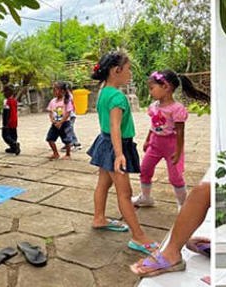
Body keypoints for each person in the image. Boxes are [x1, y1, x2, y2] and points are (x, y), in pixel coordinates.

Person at [87, 51, 158, 254]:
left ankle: (99, 218)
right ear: (116, 70)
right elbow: (115, 126)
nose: (130, 73)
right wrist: (119, 154)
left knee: (103, 183)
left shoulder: (105, 92)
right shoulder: (117, 97)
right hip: (115, 146)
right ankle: (138, 236)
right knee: (125, 194)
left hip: (105, 142)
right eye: (128, 69)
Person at [132, 70, 209, 208]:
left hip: (172, 145)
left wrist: (178, 151)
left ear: (165, 87)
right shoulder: (153, 107)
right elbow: (154, 125)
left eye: (152, 88)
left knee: (175, 177)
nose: (150, 92)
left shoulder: (177, 109)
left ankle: (183, 204)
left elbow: (180, 131)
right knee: (145, 169)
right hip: (155, 143)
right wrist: (148, 139)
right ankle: (146, 197)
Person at [47, 81, 74, 160]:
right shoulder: (53, 101)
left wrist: (61, 122)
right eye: (53, 90)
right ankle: (55, 153)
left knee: (67, 140)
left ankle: (68, 154)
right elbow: (50, 112)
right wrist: (53, 121)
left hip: (65, 123)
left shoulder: (67, 101)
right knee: (50, 138)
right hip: (55, 124)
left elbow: (68, 113)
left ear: (62, 91)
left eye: (56, 89)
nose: (54, 92)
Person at [1, 85, 20, 155]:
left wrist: (5, 123)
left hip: (8, 121)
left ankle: (14, 144)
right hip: (15, 120)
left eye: (4, 92)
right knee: (13, 134)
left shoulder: (6, 101)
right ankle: (13, 148)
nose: (3, 94)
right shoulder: (15, 101)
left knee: (5, 135)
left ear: (8, 92)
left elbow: (6, 112)